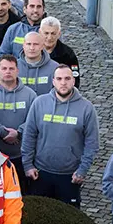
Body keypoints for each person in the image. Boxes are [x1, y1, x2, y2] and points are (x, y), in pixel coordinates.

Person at [21, 66, 98, 206]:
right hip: (41, 173)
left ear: (73, 81)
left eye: (67, 78)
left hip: (70, 176)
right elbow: (29, 135)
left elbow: (92, 143)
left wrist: (82, 170)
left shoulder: (87, 108)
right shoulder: (39, 103)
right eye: (59, 79)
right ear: (53, 81)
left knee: (70, 221)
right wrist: (27, 165)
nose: (63, 82)